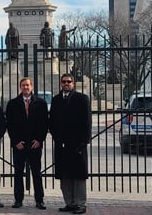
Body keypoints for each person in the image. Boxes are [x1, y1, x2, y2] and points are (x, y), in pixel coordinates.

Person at [49, 73, 91, 214]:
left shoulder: (82, 99)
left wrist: (84, 141)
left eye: (69, 81)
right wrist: (57, 138)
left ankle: (80, 203)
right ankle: (70, 202)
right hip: (61, 143)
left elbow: (87, 122)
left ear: (73, 83)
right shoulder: (55, 100)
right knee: (64, 174)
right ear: (60, 83)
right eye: (64, 81)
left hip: (77, 143)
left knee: (78, 175)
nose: (66, 84)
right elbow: (52, 122)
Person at [5, 77, 49, 210]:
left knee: (37, 173)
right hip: (20, 144)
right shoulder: (13, 103)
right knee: (18, 172)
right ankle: (18, 200)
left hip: (35, 144)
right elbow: (10, 124)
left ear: (32, 86)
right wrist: (15, 141)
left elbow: (44, 124)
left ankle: (39, 200)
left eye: (28, 85)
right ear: (20, 87)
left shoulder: (41, 103)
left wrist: (40, 139)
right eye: (23, 85)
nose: (25, 87)